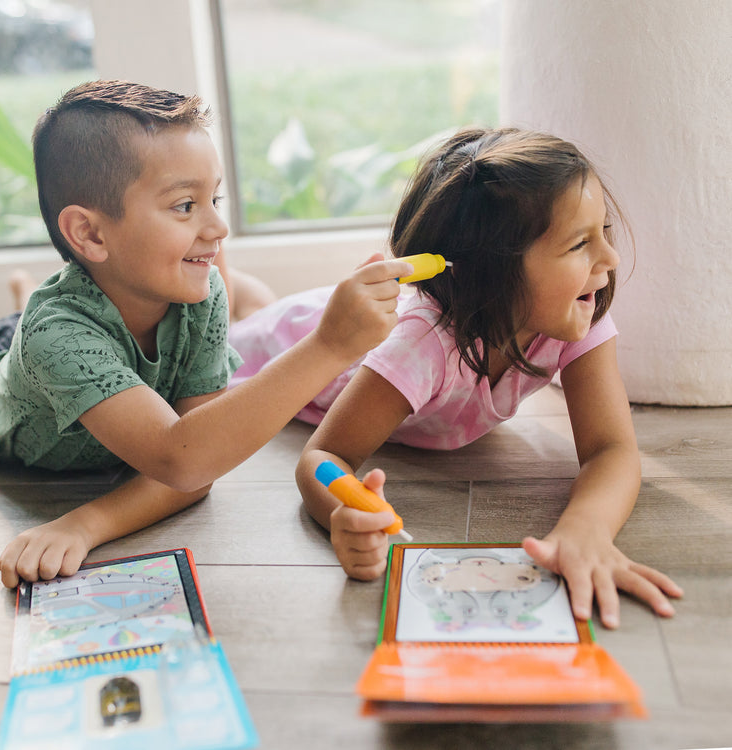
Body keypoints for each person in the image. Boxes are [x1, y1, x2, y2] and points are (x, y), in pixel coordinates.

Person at [227, 127, 683, 629]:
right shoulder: (420, 346)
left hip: (322, 319)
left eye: (605, 232)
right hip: (272, 351)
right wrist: (341, 514)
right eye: (580, 244)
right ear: (488, 275)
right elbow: (322, 457)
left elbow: (611, 449)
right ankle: (231, 294)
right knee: (235, 336)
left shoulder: (574, 311)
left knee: (255, 306)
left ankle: (244, 293)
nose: (610, 258)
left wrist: (586, 530)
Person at [0, 80, 412, 588]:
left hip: (89, 340)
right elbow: (182, 459)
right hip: (11, 372)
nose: (219, 227)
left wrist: (93, 520)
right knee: (24, 334)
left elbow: (196, 464)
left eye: (216, 198)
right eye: (186, 205)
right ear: (91, 234)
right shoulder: (55, 339)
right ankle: (24, 296)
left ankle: (23, 290)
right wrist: (330, 344)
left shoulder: (202, 292)